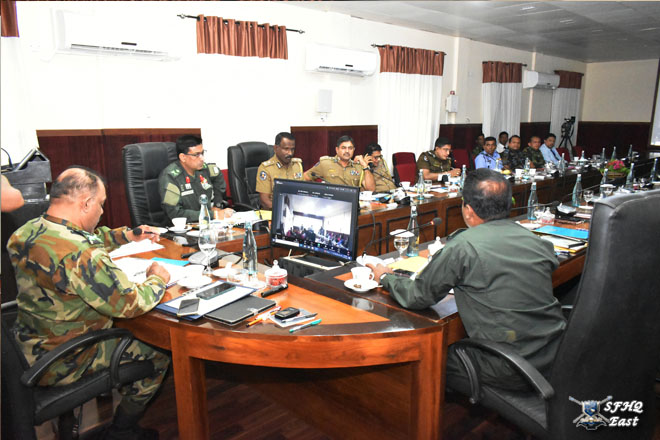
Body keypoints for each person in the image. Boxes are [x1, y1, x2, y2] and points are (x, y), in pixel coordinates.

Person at [7, 166, 172, 439]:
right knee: (159, 351)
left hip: (28, 345)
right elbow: (130, 303)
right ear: (85, 203)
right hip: (67, 358)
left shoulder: (27, 231)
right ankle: (122, 430)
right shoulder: (82, 254)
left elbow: (79, 237)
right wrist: (157, 279)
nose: (102, 211)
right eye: (101, 204)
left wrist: (127, 236)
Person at [368, 169, 566, 390]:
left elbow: (418, 296)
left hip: (509, 366)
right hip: (555, 353)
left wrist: (385, 276)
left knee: (425, 357)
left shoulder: (463, 246)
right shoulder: (536, 240)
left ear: (468, 211)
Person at [158, 134, 233, 223]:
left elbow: (217, 175)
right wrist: (212, 214)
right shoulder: (170, 177)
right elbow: (175, 214)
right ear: (183, 157)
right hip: (183, 227)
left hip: (207, 223)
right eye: (196, 155)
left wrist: (217, 205)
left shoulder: (204, 169)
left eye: (202, 153)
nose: (202, 158)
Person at [303, 135, 376, 191]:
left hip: (351, 202)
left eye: (350, 148)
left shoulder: (358, 167)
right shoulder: (325, 164)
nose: (347, 151)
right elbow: (305, 177)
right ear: (337, 150)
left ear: (354, 150)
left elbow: (371, 189)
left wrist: (365, 166)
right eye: (343, 148)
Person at [256, 132, 303, 209]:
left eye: (292, 149)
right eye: (286, 149)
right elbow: (265, 202)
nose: (290, 153)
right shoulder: (266, 168)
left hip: (295, 210)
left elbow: (301, 193)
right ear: (275, 148)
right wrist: (283, 211)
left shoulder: (297, 165)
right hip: (274, 211)